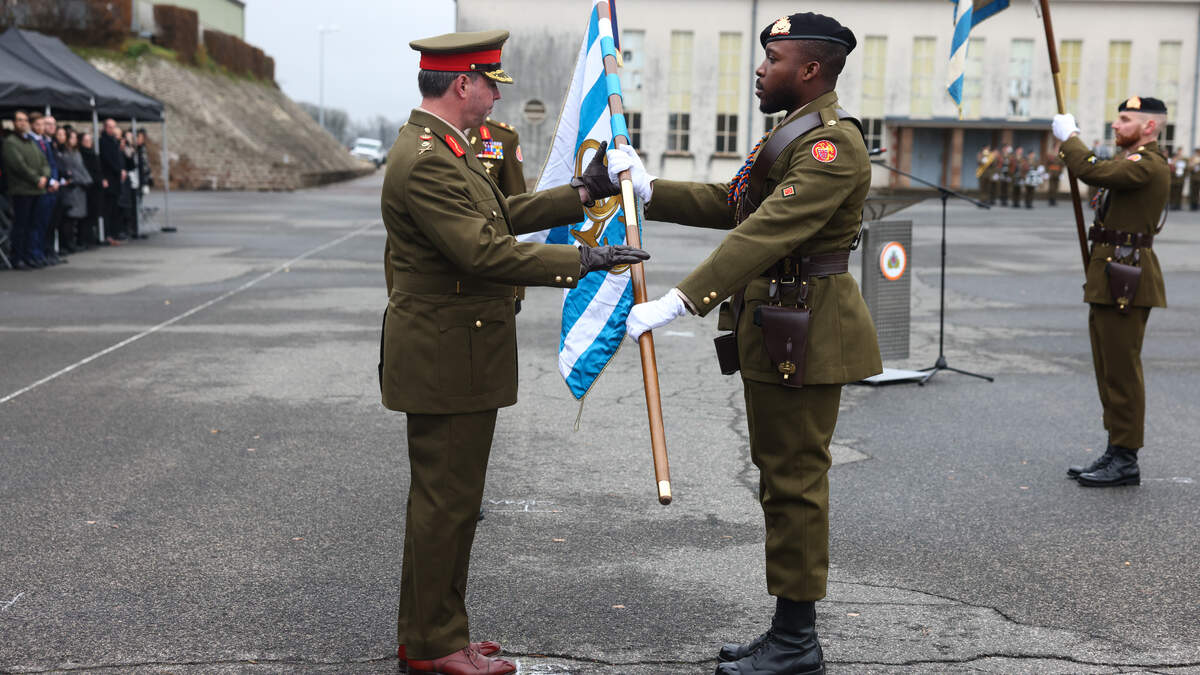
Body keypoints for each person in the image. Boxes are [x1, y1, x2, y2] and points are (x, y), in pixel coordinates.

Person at [620, 13, 882, 674]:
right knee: (781, 478)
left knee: (794, 480)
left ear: (810, 70)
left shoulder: (832, 145)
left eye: (774, 58)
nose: (761, 69)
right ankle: (789, 629)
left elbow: (767, 233)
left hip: (807, 327)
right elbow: (735, 203)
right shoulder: (790, 135)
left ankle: (797, 642)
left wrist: (681, 298)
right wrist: (651, 189)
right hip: (779, 323)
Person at [383, 29, 648, 675]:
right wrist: (582, 259)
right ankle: (434, 642)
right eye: (489, 85)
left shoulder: (448, 148)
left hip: (458, 349)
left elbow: (497, 213)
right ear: (461, 84)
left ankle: (435, 630)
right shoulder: (426, 158)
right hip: (446, 355)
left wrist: (580, 194)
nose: (494, 99)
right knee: (446, 501)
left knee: (450, 500)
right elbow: (482, 251)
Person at [1052, 96, 1169, 487]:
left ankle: (1126, 458)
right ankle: (1115, 448)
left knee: (1122, 370)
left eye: (1125, 119)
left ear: (1149, 126)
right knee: (1107, 368)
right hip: (1111, 275)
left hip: (1127, 277)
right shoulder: (1129, 162)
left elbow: (1094, 172)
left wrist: (1071, 138)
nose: (1116, 125)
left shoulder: (1148, 164)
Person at [2, 110, 49, 269]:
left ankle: (31, 255)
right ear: (14, 123)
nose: (23, 123)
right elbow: (19, 166)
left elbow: (44, 161)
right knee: (21, 226)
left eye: (25, 120)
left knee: (33, 225)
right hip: (22, 190)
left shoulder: (30, 141)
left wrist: (45, 176)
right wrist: (37, 179)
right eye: (19, 120)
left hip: (37, 190)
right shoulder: (10, 142)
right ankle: (18, 257)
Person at [58, 129, 93, 252]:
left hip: (80, 187)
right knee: (69, 218)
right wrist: (79, 180)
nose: (75, 140)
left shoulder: (76, 153)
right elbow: (71, 171)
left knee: (76, 218)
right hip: (71, 188)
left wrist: (87, 180)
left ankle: (74, 241)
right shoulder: (65, 154)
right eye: (72, 138)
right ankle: (67, 243)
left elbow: (81, 169)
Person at [99, 118, 126, 244]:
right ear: (105, 128)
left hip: (115, 179)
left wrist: (121, 169)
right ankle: (107, 234)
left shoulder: (114, 141)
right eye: (110, 127)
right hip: (109, 178)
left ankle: (114, 233)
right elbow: (107, 160)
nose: (112, 129)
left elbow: (119, 158)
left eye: (113, 127)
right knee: (108, 209)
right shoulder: (103, 142)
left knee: (115, 208)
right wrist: (118, 169)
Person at [79, 132, 102, 248]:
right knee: (86, 215)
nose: (88, 143)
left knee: (93, 214)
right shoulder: (82, 154)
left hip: (96, 187)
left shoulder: (93, 154)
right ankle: (84, 239)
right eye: (86, 141)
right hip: (88, 187)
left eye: (90, 141)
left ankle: (90, 237)